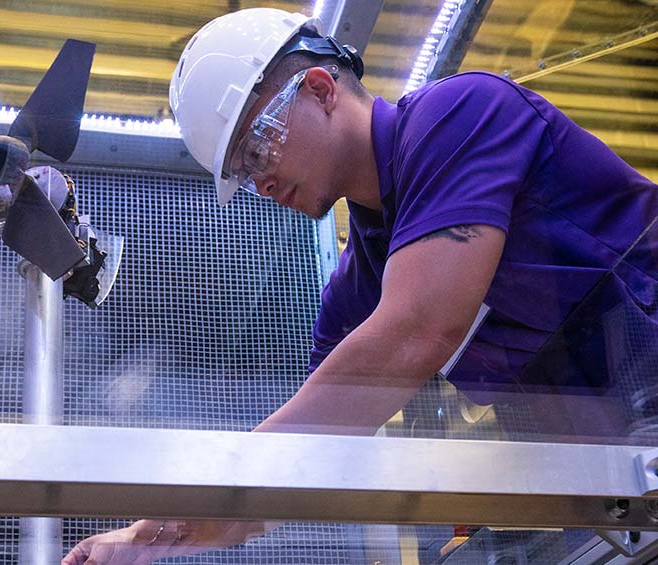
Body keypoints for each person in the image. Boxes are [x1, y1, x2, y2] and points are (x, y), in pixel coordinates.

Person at [64, 6, 658, 564]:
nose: (261, 178)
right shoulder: (359, 289)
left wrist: (224, 481)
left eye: (258, 142)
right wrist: (153, 537)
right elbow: (314, 456)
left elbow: (418, 328)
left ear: (321, 90)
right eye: (243, 172)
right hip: (598, 486)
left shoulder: (460, 115)